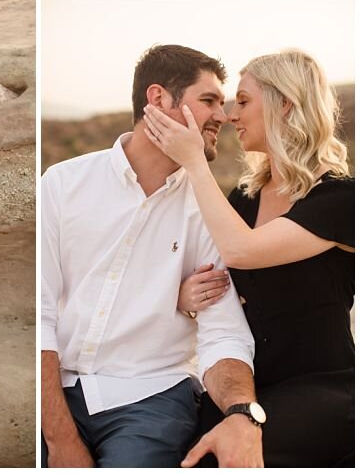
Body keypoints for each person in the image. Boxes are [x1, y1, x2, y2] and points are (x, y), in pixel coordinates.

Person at [41, 45, 264, 468]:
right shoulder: (63, 183)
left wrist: (240, 412)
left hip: (151, 397)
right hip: (54, 387)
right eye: (209, 101)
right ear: (158, 98)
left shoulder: (209, 211)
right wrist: (60, 439)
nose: (223, 115)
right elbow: (40, 313)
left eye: (225, 102)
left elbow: (224, 333)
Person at [143, 49, 354, 467]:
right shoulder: (245, 197)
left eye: (242, 101)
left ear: (285, 103)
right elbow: (212, 264)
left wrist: (193, 162)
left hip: (322, 387)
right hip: (244, 384)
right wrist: (183, 295)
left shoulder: (340, 198)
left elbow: (243, 251)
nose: (230, 114)